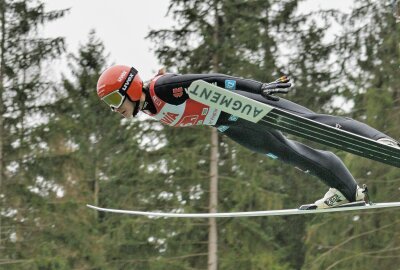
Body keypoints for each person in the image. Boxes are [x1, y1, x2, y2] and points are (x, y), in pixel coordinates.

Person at [96, 65, 400, 209]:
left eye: (114, 101)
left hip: (240, 103)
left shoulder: (162, 88)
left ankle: (379, 141)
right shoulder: (149, 108)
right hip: (227, 122)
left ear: (129, 89)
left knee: (309, 122)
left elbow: (210, 80)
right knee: (289, 153)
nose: (115, 110)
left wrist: (259, 89)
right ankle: (347, 191)